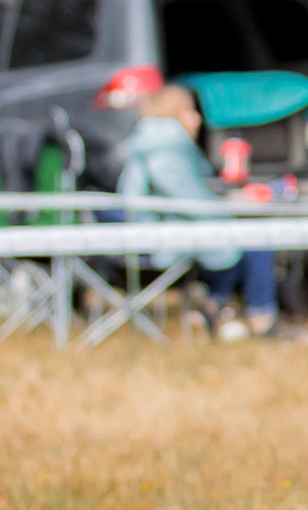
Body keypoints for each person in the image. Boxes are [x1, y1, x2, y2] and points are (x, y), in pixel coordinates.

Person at [117, 84, 279, 342]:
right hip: (162, 241)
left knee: (238, 242)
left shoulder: (149, 143)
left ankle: (215, 307)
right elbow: (193, 203)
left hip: (156, 233)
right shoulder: (168, 149)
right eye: (190, 112)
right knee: (255, 241)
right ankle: (260, 319)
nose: (198, 119)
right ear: (171, 116)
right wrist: (233, 208)